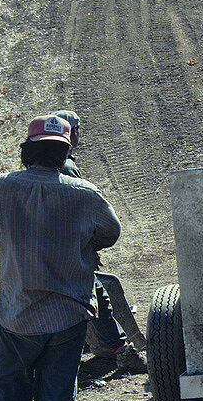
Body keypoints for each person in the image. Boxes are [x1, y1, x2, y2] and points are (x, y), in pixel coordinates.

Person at [0, 115, 121, 401]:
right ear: (66, 152)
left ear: (28, 149)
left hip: (15, 310)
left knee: (7, 385)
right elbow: (111, 233)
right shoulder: (84, 193)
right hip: (67, 312)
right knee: (57, 388)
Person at [53, 110, 146, 375]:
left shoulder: (45, 168)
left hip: (50, 248)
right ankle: (120, 350)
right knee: (97, 297)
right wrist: (91, 247)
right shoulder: (67, 167)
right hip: (73, 247)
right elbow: (85, 215)